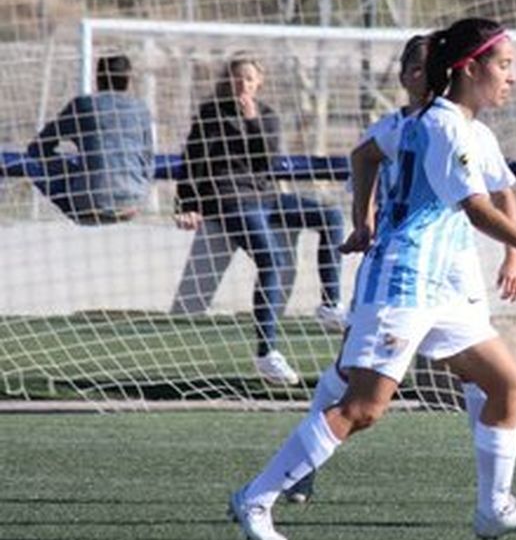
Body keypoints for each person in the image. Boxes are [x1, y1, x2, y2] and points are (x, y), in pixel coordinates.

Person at [228, 17, 516, 540]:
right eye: (505, 65)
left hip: (442, 288)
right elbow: (477, 209)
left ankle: (494, 509)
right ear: (470, 67)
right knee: (363, 408)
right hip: (405, 280)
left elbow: (383, 162)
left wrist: (365, 220)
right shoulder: (445, 126)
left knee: (506, 384)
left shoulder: (449, 124)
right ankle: (256, 496)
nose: (512, 77)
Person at [282, 33, 516, 506]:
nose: (422, 76)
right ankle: (298, 468)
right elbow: (363, 159)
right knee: (353, 374)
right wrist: (363, 221)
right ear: (403, 77)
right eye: (414, 69)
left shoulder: (470, 130)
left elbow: (503, 190)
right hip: (402, 266)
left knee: (489, 375)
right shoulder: (402, 126)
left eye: (428, 68)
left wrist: (514, 255)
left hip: (456, 270)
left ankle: (495, 494)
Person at [174, 56, 347, 386]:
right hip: (230, 199)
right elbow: (191, 162)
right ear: (227, 81)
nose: (243, 84)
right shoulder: (211, 114)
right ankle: (266, 353)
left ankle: (330, 304)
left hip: (265, 196)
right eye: (237, 78)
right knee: (272, 259)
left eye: (249, 79)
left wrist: (252, 120)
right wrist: (187, 204)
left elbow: (267, 160)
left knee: (331, 216)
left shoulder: (266, 115)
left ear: (259, 82)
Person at [26, 54, 153, 225]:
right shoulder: (141, 109)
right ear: (128, 80)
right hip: (132, 199)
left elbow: (40, 145)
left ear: (98, 79)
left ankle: (74, 208)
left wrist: (72, 166)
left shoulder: (83, 105)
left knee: (31, 160)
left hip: (89, 200)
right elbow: (148, 160)